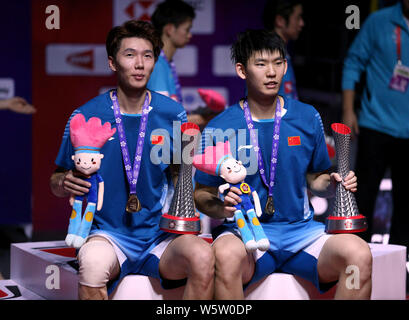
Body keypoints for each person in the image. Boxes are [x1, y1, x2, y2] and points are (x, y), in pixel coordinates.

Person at [194, 29, 372, 299]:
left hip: (302, 233)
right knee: (224, 255)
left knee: (359, 255)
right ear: (242, 70)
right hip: (246, 234)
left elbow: (316, 178)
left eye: (278, 63)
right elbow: (201, 195)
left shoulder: (306, 116)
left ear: (285, 66)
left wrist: (333, 184)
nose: (272, 72)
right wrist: (223, 207)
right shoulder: (221, 126)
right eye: (261, 64)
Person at [49, 20, 214, 300]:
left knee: (202, 257)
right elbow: (55, 181)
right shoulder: (86, 116)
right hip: (107, 236)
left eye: (147, 56)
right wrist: (64, 182)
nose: (139, 63)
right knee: (92, 266)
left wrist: (187, 173)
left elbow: (180, 176)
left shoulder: (173, 114)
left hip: (160, 236)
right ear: (113, 63)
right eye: (130, 55)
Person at [341, 0, 409, 252]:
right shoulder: (379, 21)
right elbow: (352, 63)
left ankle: (401, 270)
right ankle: (355, 259)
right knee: (364, 198)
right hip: (375, 125)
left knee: (406, 207)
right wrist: (348, 110)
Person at [148, 0, 206, 126]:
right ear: (169, 29)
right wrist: (202, 118)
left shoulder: (165, 63)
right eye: (187, 29)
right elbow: (162, 118)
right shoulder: (157, 64)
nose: (190, 35)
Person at [262, 0, 305, 100]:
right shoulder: (268, 58)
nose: (302, 23)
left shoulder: (282, 53)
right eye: (298, 18)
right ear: (280, 20)